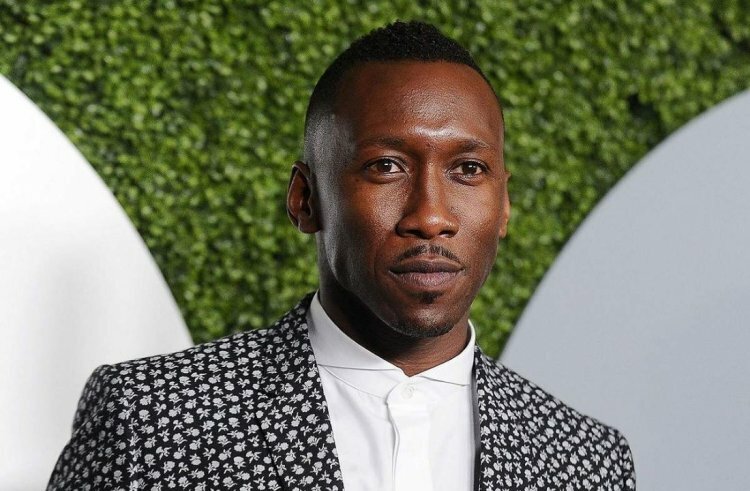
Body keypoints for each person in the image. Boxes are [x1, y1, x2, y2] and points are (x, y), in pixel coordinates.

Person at [48, 21, 635, 491]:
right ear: (305, 199)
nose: (431, 215)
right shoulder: (150, 421)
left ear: (503, 205)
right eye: (386, 166)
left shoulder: (587, 462)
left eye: (468, 169)